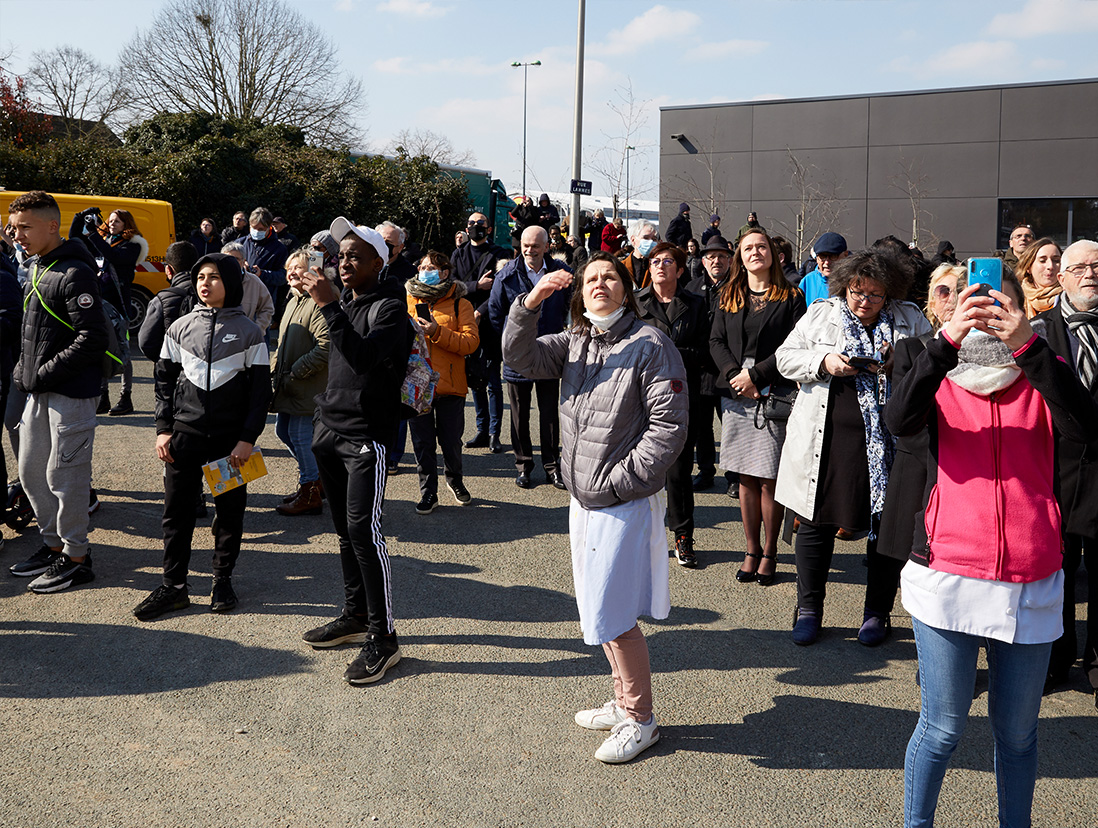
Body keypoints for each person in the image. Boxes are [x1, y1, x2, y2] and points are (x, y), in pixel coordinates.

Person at [886, 273, 1097, 828]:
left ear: (1023, 308)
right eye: (969, 298)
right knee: (943, 727)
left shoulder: (1045, 373)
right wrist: (946, 342)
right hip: (948, 571)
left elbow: (1086, 428)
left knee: (1018, 733)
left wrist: (1029, 346)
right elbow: (899, 421)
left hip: (1031, 574)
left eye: (999, 299)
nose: (984, 308)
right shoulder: (931, 366)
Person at [503, 250, 688, 764]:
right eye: (590, 279)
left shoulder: (650, 344)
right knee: (597, 603)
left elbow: (668, 430)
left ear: (627, 290)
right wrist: (531, 301)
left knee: (615, 610)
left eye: (610, 277)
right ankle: (625, 701)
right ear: (579, 292)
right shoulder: (576, 340)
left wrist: (618, 481)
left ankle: (641, 718)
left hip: (618, 499)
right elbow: (519, 359)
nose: (599, 284)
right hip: (583, 498)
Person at [775, 249, 932, 645]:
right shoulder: (821, 313)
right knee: (816, 522)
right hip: (827, 438)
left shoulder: (909, 317)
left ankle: (877, 613)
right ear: (845, 287)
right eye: (857, 292)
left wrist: (903, 359)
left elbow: (934, 358)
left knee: (887, 527)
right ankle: (809, 608)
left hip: (892, 442)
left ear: (889, 295)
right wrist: (825, 361)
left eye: (875, 295)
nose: (864, 302)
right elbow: (784, 359)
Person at [298, 217, 413, 686]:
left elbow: (363, 357)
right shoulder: (344, 302)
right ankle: (354, 615)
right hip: (331, 428)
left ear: (378, 263)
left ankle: (383, 639)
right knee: (345, 533)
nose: (344, 263)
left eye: (355, 256)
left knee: (366, 535)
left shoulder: (390, 309)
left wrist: (328, 306)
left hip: (367, 435)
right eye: (341, 255)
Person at [134, 253, 270, 620]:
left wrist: (247, 439)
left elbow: (260, 394)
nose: (205, 284)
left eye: (214, 277)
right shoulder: (178, 327)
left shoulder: (250, 331)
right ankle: (173, 587)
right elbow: (162, 384)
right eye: (200, 278)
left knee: (229, 514)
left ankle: (222, 580)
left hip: (231, 445)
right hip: (184, 437)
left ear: (231, 283)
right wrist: (163, 430)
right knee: (176, 514)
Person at [6, 191, 108, 591]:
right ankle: (52, 546)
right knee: (31, 474)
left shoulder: (74, 272)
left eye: (26, 227)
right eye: (15, 227)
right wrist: (22, 371)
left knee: (65, 477)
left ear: (53, 226)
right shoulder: (37, 268)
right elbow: (32, 332)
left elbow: (92, 337)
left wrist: (42, 372)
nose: (18, 235)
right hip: (38, 391)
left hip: (71, 394)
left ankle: (77, 556)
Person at [873, 264, 964, 647]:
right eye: (943, 291)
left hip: (962, 469)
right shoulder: (913, 348)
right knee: (898, 549)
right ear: (930, 301)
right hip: (918, 461)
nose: (953, 298)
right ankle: (876, 611)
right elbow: (904, 414)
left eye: (960, 290)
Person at [711, 228, 806, 585]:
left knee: (769, 478)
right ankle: (750, 549)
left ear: (773, 254)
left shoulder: (791, 296)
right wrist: (737, 375)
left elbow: (794, 345)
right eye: (748, 248)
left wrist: (757, 375)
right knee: (745, 478)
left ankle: (770, 552)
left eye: (761, 246)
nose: (755, 252)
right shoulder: (728, 294)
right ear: (740, 255)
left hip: (773, 393)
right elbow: (715, 340)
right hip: (736, 393)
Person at [1035, 239, 1098, 701]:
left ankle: (1096, 663)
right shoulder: (1036, 331)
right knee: (1054, 573)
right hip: (1052, 472)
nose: (1088, 275)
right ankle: (1055, 660)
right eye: (1078, 268)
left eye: (1097, 267)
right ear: (1060, 277)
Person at [635, 243, 709, 567]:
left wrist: (672, 354)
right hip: (641, 398)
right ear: (648, 268)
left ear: (680, 270)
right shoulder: (636, 304)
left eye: (668, 261)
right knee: (641, 468)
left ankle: (683, 536)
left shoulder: (696, 305)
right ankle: (640, 538)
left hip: (681, 396)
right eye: (656, 261)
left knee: (678, 470)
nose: (661, 265)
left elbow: (708, 350)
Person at [488, 225, 571, 490]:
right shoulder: (507, 276)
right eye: (525, 245)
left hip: (549, 354)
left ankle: (552, 466)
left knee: (549, 414)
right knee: (519, 415)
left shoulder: (563, 274)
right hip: (517, 359)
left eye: (535, 246)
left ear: (546, 246)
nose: (529, 250)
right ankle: (524, 466)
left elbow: (572, 306)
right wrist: (509, 344)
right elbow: (495, 314)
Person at [405, 250, 479, 514]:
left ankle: (455, 480)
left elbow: (470, 343)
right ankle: (428, 492)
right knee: (422, 442)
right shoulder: (408, 300)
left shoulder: (461, 304)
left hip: (450, 384)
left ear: (445, 272)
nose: (425, 271)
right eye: (422, 266)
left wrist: (437, 331)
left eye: (431, 267)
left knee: (451, 440)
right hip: (417, 384)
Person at [70, 206, 147, 416]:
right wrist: (80, 218)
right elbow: (74, 238)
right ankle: (103, 397)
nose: (112, 224)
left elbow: (112, 256)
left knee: (123, 351)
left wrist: (95, 234)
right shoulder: (103, 241)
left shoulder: (133, 245)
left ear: (127, 225)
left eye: (117, 221)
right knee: (100, 349)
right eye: (110, 220)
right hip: (100, 302)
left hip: (119, 305)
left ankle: (126, 397)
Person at [271, 249, 330, 517]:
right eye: (288, 268)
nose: (291, 272)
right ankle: (316, 480)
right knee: (282, 432)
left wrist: (296, 371)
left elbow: (326, 345)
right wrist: (273, 372)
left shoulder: (316, 301)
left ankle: (311, 492)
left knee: (299, 435)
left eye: (297, 267)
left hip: (308, 384)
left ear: (311, 270)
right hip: (290, 384)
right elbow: (282, 343)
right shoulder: (294, 300)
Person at [451, 211, 510, 454]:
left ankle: (495, 433)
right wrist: (477, 286)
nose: (476, 227)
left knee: (493, 381)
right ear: (466, 228)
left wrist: (481, 310)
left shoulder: (500, 255)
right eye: (472, 223)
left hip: (490, 324)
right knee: (475, 379)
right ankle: (482, 431)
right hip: (465, 323)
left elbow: (500, 288)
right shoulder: (458, 254)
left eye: (481, 223)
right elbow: (452, 285)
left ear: (489, 227)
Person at [687, 236, 735, 494]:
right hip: (700, 368)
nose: (716, 261)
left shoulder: (739, 287)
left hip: (728, 367)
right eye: (711, 256)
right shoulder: (692, 288)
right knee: (702, 425)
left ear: (730, 260)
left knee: (731, 424)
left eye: (722, 256)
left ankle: (734, 476)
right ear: (703, 261)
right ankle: (706, 471)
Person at [138, 241, 200, 362]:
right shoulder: (211, 295)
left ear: (169, 270)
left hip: (170, 372)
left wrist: (165, 361)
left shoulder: (161, 300)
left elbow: (146, 343)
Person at [219, 242, 276, 330]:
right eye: (227, 258)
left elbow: (267, 308)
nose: (231, 262)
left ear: (243, 261)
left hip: (244, 336)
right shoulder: (215, 280)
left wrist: (257, 329)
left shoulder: (254, 281)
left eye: (236, 259)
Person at [241, 206, 289, 311]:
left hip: (263, 303)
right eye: (254, 228)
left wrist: (262, 274)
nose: (257, 232)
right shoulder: (240, 244)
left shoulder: (279, 249)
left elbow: (283, 277)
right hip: (240, 300)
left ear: (269, 228)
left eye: (261, 229)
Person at [1016, 236, 1062, 318]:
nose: (1050, 266)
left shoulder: (1070, 298)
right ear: (1028, 267)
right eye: (1042, 261)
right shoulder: (1015, 298)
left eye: (1056, 260)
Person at [799, 231, 848, 305]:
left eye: (833, 256)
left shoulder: (852, 281)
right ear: (816, 258)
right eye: (822, 256)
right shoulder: (808, 281)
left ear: (845, 255)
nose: (827, 262)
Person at [621, 219, 659, 289]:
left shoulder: (659, 266)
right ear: (633, 240)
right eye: (646, 238)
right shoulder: (621, 267)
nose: (650, 242)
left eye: (654, 239)